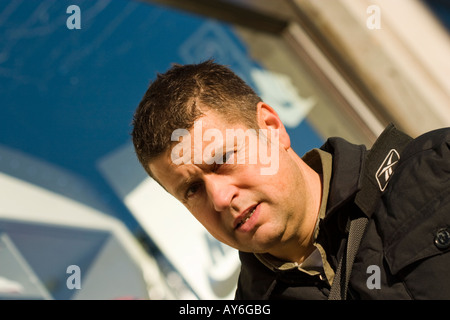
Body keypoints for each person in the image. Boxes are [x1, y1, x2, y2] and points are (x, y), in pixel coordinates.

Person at [131, 60, 450, 300]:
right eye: (192, 190)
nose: (219, 198)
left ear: (271, 127)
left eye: (223, 159)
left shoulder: (437, 171)